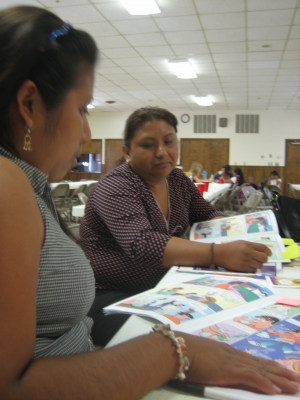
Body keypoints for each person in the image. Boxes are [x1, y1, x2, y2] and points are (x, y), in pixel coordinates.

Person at [2, 6, 299, 399]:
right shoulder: (12, 186)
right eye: (81, 109)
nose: (88, 132)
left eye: (169, 142)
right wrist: (176, 350)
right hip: (117, 300)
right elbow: (12, 386)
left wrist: (239, 231)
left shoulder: (29, 182)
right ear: (29, 105)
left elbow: (207, 215)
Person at [80, 106, 274, 346]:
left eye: (169, 141)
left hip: (164, 287)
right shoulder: (116, 186)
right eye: (148, 145)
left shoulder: (176, 179)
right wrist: (217, 253)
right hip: (110, 295)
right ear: (127, 151)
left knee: (236, 324)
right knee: (178, 344)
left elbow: (207, 214)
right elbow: (143, 244)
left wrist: (244, 229)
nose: (162, 152)